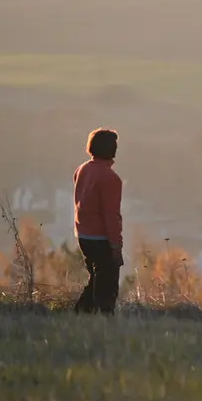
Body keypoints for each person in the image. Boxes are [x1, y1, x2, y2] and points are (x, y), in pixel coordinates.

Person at [72, 128, 124, 315]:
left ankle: (81, 313)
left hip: (83, 235)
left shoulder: (82, 170)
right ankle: (103, 316)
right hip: (101, 238)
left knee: (96, 278)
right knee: (107, 283)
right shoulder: (111, 178)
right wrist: (116, 246)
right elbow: (111, 215)